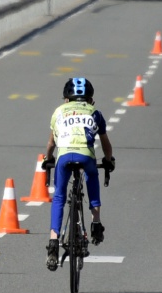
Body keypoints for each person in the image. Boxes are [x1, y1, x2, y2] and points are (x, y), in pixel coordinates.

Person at [40, 76, 115, 271]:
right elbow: (106, 144)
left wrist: (48, 159)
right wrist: (108, 161)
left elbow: (51, 144)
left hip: (64, 158)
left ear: (66, 99)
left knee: (58, 197)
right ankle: (96, 224)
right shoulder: (95, 112)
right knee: (92, 179)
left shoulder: (58, 112)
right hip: (85, 156)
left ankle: (53, 243)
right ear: (90, 99)